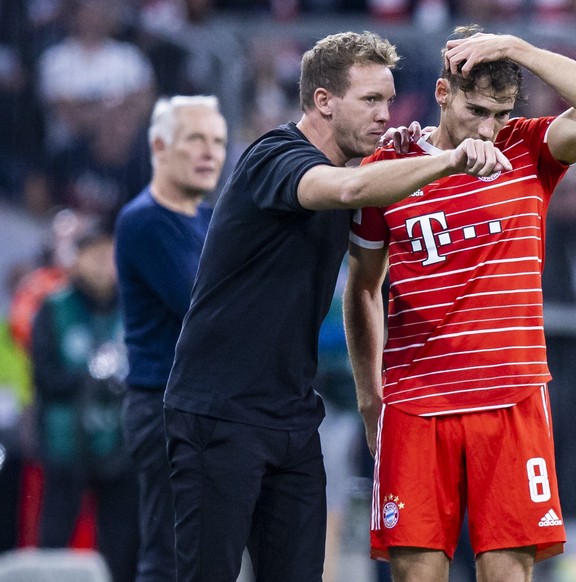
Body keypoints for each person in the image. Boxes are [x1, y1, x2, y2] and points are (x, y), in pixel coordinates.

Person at [161, 30, 512, 582]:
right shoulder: (275, 158)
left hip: (292, 416)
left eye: (389, 101)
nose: (385, 113)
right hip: (218, 412)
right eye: (370, 100)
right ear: (323, 101)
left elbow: (368, 248)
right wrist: (447, 160)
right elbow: (347, 192)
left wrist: (409, 152)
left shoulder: (355, 171)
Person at [344, 25, 576, 581]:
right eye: (476, 111)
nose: (489, 129)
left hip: (511, 397)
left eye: (500, 112)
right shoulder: (387, 171)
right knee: (415, 574)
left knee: (507, 572)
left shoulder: (528, 148)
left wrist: (518, 48)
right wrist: (370, 394)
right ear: (443, 94)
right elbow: (364, 288)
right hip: (417, 402)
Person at [114, 95, 227, 582]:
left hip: (203, 408)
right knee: (169, 556)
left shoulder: (206, 220)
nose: (210, 153)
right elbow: (203, 307)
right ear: (159, 145)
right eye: (196, 139)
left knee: (205, 557)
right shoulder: (143, 219)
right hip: (161, 408)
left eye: (219, 141)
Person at [30, 224, 138, 582]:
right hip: (66, 448)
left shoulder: (134, 308)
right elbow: (43, 377)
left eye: (111, 253)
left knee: (123, 546)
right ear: (77, 259)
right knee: (55, 541)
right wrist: (91, 380)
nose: (105, 263)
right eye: (96, 254)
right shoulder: (54, 307)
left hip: (120, 449)